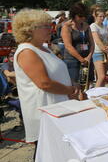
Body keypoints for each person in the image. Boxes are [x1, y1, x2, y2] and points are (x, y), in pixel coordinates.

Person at [12, 9, 78, 147]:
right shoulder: (27, 51)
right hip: (44, 111)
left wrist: (73, 86)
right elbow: (44, 83)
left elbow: (57, 72)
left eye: (50, 25)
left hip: (57, 107)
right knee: (47, 156)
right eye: (46, 26)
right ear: (30, 30)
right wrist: (70, 90)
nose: (51, 29)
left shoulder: (44, 48)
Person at [61, 2, 95, 84]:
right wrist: (81, 60)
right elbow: (68, 46)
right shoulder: (67, 27)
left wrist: (89, 57)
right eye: (80, 16)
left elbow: (92, 43)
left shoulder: (86, 26)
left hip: (87, 60)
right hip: (73, 61)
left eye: (84, 16)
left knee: (86, 84)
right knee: (75, 86)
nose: (83, 18)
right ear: (74, 15)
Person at [90, 9, 108, 87]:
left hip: (105, 51)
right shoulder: (93, 26)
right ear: (95, 16)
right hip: (97, 52)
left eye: (103, 16)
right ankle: (94, 95)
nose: (102, 18)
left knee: (103, 77)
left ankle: (101, 93)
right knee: (101, 76)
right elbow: (97, 40)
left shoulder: (105, 26)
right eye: (100, 16)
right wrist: (106, 51)